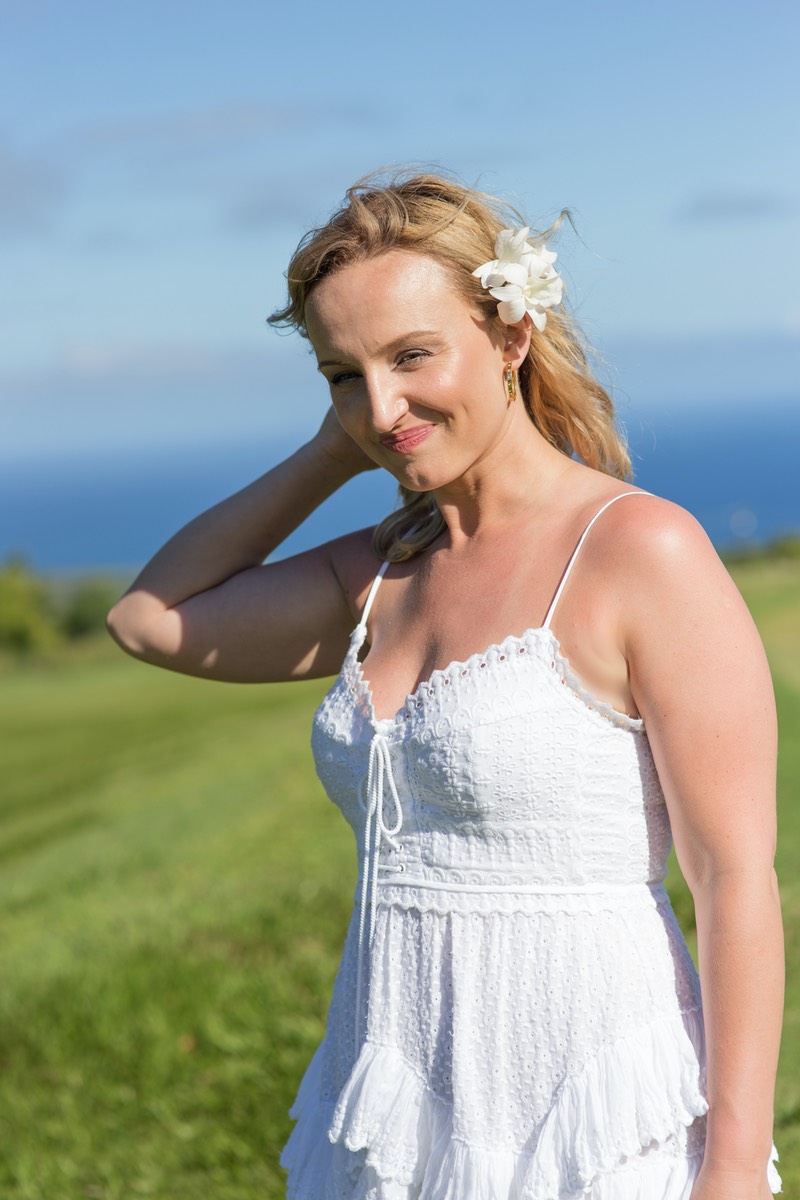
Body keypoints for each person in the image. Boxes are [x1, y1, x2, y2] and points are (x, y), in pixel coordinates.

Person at [107, 171, 784, 1199]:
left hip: (587, 1110)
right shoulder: (378, 568)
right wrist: (342, 447)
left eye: (411, 354)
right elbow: (148, 620)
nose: (381, 405)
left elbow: (732, 879)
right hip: (390, 1105)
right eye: (342, 373)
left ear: (511, 334)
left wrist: (731, 1169)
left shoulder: (637, 549)